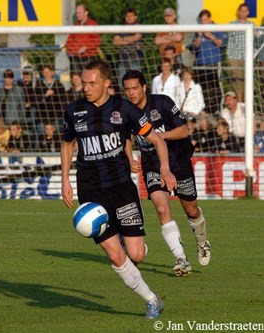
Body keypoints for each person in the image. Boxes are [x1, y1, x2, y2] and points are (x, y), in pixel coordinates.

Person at [61, 60, 176, 319]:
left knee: (136, 254)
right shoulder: (74, 110)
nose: (86, 88)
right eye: (83, 83)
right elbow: (67, 144)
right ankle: (151, 300)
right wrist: (65, 180)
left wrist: (165, 168)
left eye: (92, 83)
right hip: (90, 190)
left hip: (122, 188)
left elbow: (157, 139)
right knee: (114, 254)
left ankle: (129, 241)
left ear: (106, 83)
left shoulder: (125, 109)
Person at [122, 70, 211, 276]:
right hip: (153, 165)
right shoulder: (126, 111)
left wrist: (158, 136)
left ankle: (202, 242)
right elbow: (125, 138)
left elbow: (184, 131)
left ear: (144, 87)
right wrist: (130, 158)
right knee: (162, 208)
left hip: (179, 163)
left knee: (191, 210)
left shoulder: (162, 102)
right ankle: (181, 259)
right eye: (127, 89)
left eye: (135, 88)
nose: (131, 93)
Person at [191, 9, 226, 114]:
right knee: (203, 88)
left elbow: (221, 44)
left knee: (216, 86)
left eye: (205, 20)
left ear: (210, 19)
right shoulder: (198, 32)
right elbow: (195, 47)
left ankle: (218, 109)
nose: (204, 22)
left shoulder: (218, 29)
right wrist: (200, 36)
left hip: (214, 62)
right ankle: (206, 110)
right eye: (202, 20)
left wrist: (210, 35)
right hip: (201, 63)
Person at [227, 3, 254, 102]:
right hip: (235, 57)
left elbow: (257, 39)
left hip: (248, 58)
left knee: (248, 83)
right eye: (241, 11)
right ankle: (239, 106)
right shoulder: (232, 24)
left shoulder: (252, 25)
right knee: (238, 83)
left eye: (245, 11)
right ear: (238, 12)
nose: (243, 13)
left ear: (248, 12)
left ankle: (247, 107)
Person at [65, 3, 101, 73]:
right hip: (75, 57)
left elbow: (97, 41)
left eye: (79, 12)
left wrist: (86, 47)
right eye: (76, 13)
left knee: (88, 77)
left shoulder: (92, 24)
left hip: (88, 57)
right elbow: (69, 41)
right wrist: (73, 50)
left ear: (86, 13)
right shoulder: (75, 25)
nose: (77, 15)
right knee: (76, 78)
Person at [113, 8, 143, 82]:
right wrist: (130, 39)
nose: (129, 18)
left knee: (137, 81)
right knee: (122, 82)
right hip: (122, 59)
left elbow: (137, 37)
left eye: (131, 16)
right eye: (127, 16)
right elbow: (115, 42)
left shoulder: (139, 26)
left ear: (135, 17)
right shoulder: (121, 27)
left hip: (135, 59)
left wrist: (122, 39)